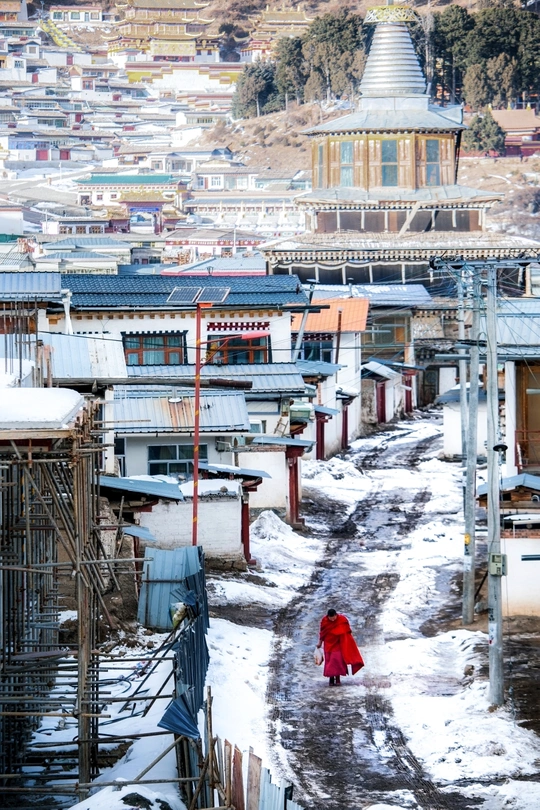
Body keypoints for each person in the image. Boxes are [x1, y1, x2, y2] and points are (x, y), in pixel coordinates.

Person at [316, 608, 364, 686]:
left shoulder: (342, 620)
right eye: (330, 618)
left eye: (334, 617)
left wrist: (347, 642)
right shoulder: (324, 621)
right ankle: (331, 678)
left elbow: (347, 632)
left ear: (336, 615)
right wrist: (320, 643)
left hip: (338, 643)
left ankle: (338, 678)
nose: (332, 619)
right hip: (328, 643)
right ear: (328, 616)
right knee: (330, 662)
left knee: (337, 661)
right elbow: (322, 633)